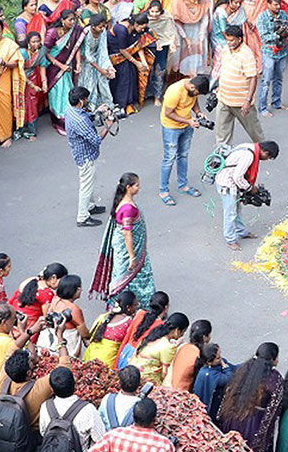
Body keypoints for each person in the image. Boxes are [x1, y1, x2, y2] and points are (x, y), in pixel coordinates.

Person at [218, 342, 285, 452]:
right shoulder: (274, 379)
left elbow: (228, 393)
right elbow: (274, 409)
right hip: (255, 424)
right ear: (273, 359)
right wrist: (263, 435)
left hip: (234, 418)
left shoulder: (244, 369)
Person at [91, 173, 156, 305]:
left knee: (129, 273)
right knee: (126, 274)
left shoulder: (123, 201)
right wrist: (132, 256)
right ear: (128, 187)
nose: (139, 188)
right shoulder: (128, 208)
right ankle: (127, 303)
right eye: (136, 185)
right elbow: (127, 234)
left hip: (127, 245)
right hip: (129, 248)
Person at [215, 140, 278, 251]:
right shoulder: (248, 155)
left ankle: (241, 232)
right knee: (230, 213)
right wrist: (250, 188)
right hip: (227, 184)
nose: (265, 160)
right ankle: (230, 240)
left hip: (231, 183)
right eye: (268, 157)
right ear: (266, 152)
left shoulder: (249, 146)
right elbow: (237, 177)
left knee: (237, 210)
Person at [65, 86, 111, 227]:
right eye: (85, 99)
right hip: (86, 156)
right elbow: (96, 139)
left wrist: (98, 111)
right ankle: (82, 216)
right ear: (81, 100)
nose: (87, 101)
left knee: (90, 181)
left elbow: (86, 116)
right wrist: (108, 125)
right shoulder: (80, 120)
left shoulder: (71, 110)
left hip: (81, 153)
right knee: (86, 185)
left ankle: (90, 206)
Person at [214, 25, 265, 146]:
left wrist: (248, 101)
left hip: (241, 103)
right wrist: (219, 87)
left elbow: (253, 78)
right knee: (222, 134)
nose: (229, 42)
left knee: (255, 132)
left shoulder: (246, 54)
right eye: (228, 39)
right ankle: (221, 157)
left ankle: (264, 152)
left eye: (232, 40)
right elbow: (223, 68)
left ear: (240, 39)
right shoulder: (226, 49)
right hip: (224, 99)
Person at [158, 75, 205, 206]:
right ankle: (163, 191)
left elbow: (194, 100)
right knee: (169, 158)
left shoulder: (192, 88)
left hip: (186, 126)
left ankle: (183, 185)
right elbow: (169, 113)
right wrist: (188, 121)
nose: (197, 95)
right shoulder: (174, 91)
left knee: (183, 155)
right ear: (192, 86)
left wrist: (198, 113)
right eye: (197, 92)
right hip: (171, 127)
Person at [255, 0, 288, 115]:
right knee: (266, 80)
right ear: (268, 4)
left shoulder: (283, 15)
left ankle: (276, 102)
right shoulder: (262, 18)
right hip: (269, 52)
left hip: (281, 51)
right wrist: (278, 34)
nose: (278, 7)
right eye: (275, 5)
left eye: (279, 4)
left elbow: (287, 30)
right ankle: (262, 107)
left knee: (279, 78)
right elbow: (264, 38)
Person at [165, 319, 211, 391]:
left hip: (170, 385)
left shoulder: (183, 347)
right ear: (205, 337)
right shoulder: (199, 355)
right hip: (182, 392)